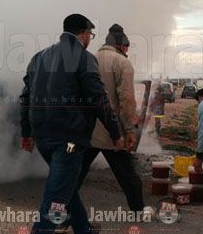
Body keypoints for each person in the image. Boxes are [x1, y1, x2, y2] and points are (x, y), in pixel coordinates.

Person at [20, 14, 124, 234]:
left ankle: (83, 228)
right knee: (56, 197)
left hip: (43, 138)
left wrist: (26, 132)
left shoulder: (39, 57)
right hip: (69, 141)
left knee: (65, 183)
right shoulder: (84, 58)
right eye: (90, 35)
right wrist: (115, 131)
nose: (90, 39)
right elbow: (98, 99)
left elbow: (26, 97)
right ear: (84, 33)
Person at [77, 24, 151, 214]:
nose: (127, 51)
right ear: (120, 45)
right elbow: (126, 100)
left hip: (87, 131)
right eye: (126, 47)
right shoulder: (122, 63)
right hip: (113, 133)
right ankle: (139, 211)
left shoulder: (88, 59)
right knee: (128, 175)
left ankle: (59, 212)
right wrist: (130, 130)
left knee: (75, 175)